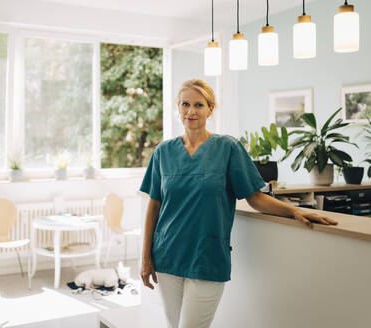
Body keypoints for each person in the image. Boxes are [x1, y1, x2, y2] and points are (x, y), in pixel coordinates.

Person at [139, 79, 338, 328]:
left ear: (210, 109)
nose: (191, 111)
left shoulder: (227, 147)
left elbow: (254, 197)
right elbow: (154, 205)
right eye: (185, 104)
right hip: (167, 255)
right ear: (178, 108)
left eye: (198, 104)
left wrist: (295, 210)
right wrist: (145, 257)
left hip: (207, 256)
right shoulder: (163, 152)